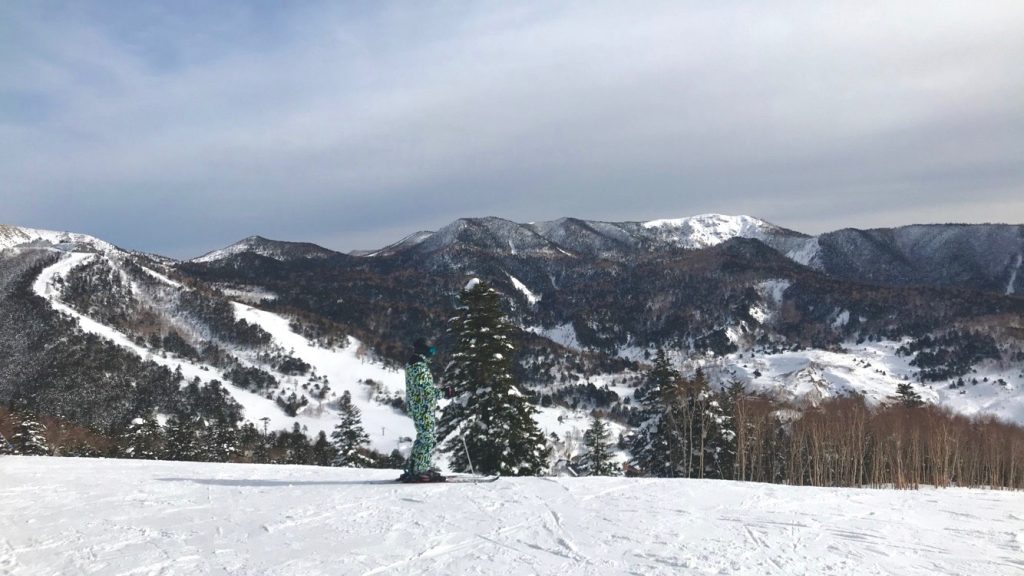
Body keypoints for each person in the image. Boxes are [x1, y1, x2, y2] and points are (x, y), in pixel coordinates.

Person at [399, 338, 445, 482]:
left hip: (419, 406)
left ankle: (415, 467)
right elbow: (426, 391)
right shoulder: (419, 366)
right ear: (423, 350)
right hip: (422, 407)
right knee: (428, 439)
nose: (432, 354)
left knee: (423, 437)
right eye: (431, 350)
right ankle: (421, 470)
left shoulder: (414, 363)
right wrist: (444, 392)